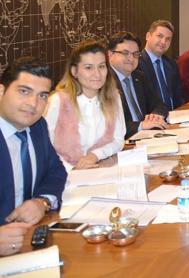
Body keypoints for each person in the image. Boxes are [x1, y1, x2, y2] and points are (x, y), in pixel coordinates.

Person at [0, 57, 66, 256]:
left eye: (42, 96)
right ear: (1, 91)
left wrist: (42, 202)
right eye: (24, 91)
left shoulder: (37, 126)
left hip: (29, 242)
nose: (33, 104)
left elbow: (56, 171)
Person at [46, 40, 126, 169]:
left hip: (101, 170)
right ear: (74, 71)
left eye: (101, 66)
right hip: (64, 174)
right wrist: (72, 169)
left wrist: (95, 155)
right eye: (88, 67)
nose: (97, 74)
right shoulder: (57, 101)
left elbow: (118, 140)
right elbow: (45, 147)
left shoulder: (113, 97)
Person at [107, 32, 168, 139]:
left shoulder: (139, 77)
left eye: (135, 54)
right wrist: (141, 126)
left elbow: (159, 105)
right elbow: (110, 126)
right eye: (125, 53)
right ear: (110, 54)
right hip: (123, 142)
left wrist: (156, 116)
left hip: (147, 137)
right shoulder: (104, 83)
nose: (131, 58)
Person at [139, 20, 185, 110]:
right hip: (152, 116)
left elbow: (178, 97)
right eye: (159, 36)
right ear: (148, 36)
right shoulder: (137, 64)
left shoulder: (171, 64)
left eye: (168, 39)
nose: (163, 42)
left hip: (174, 115)